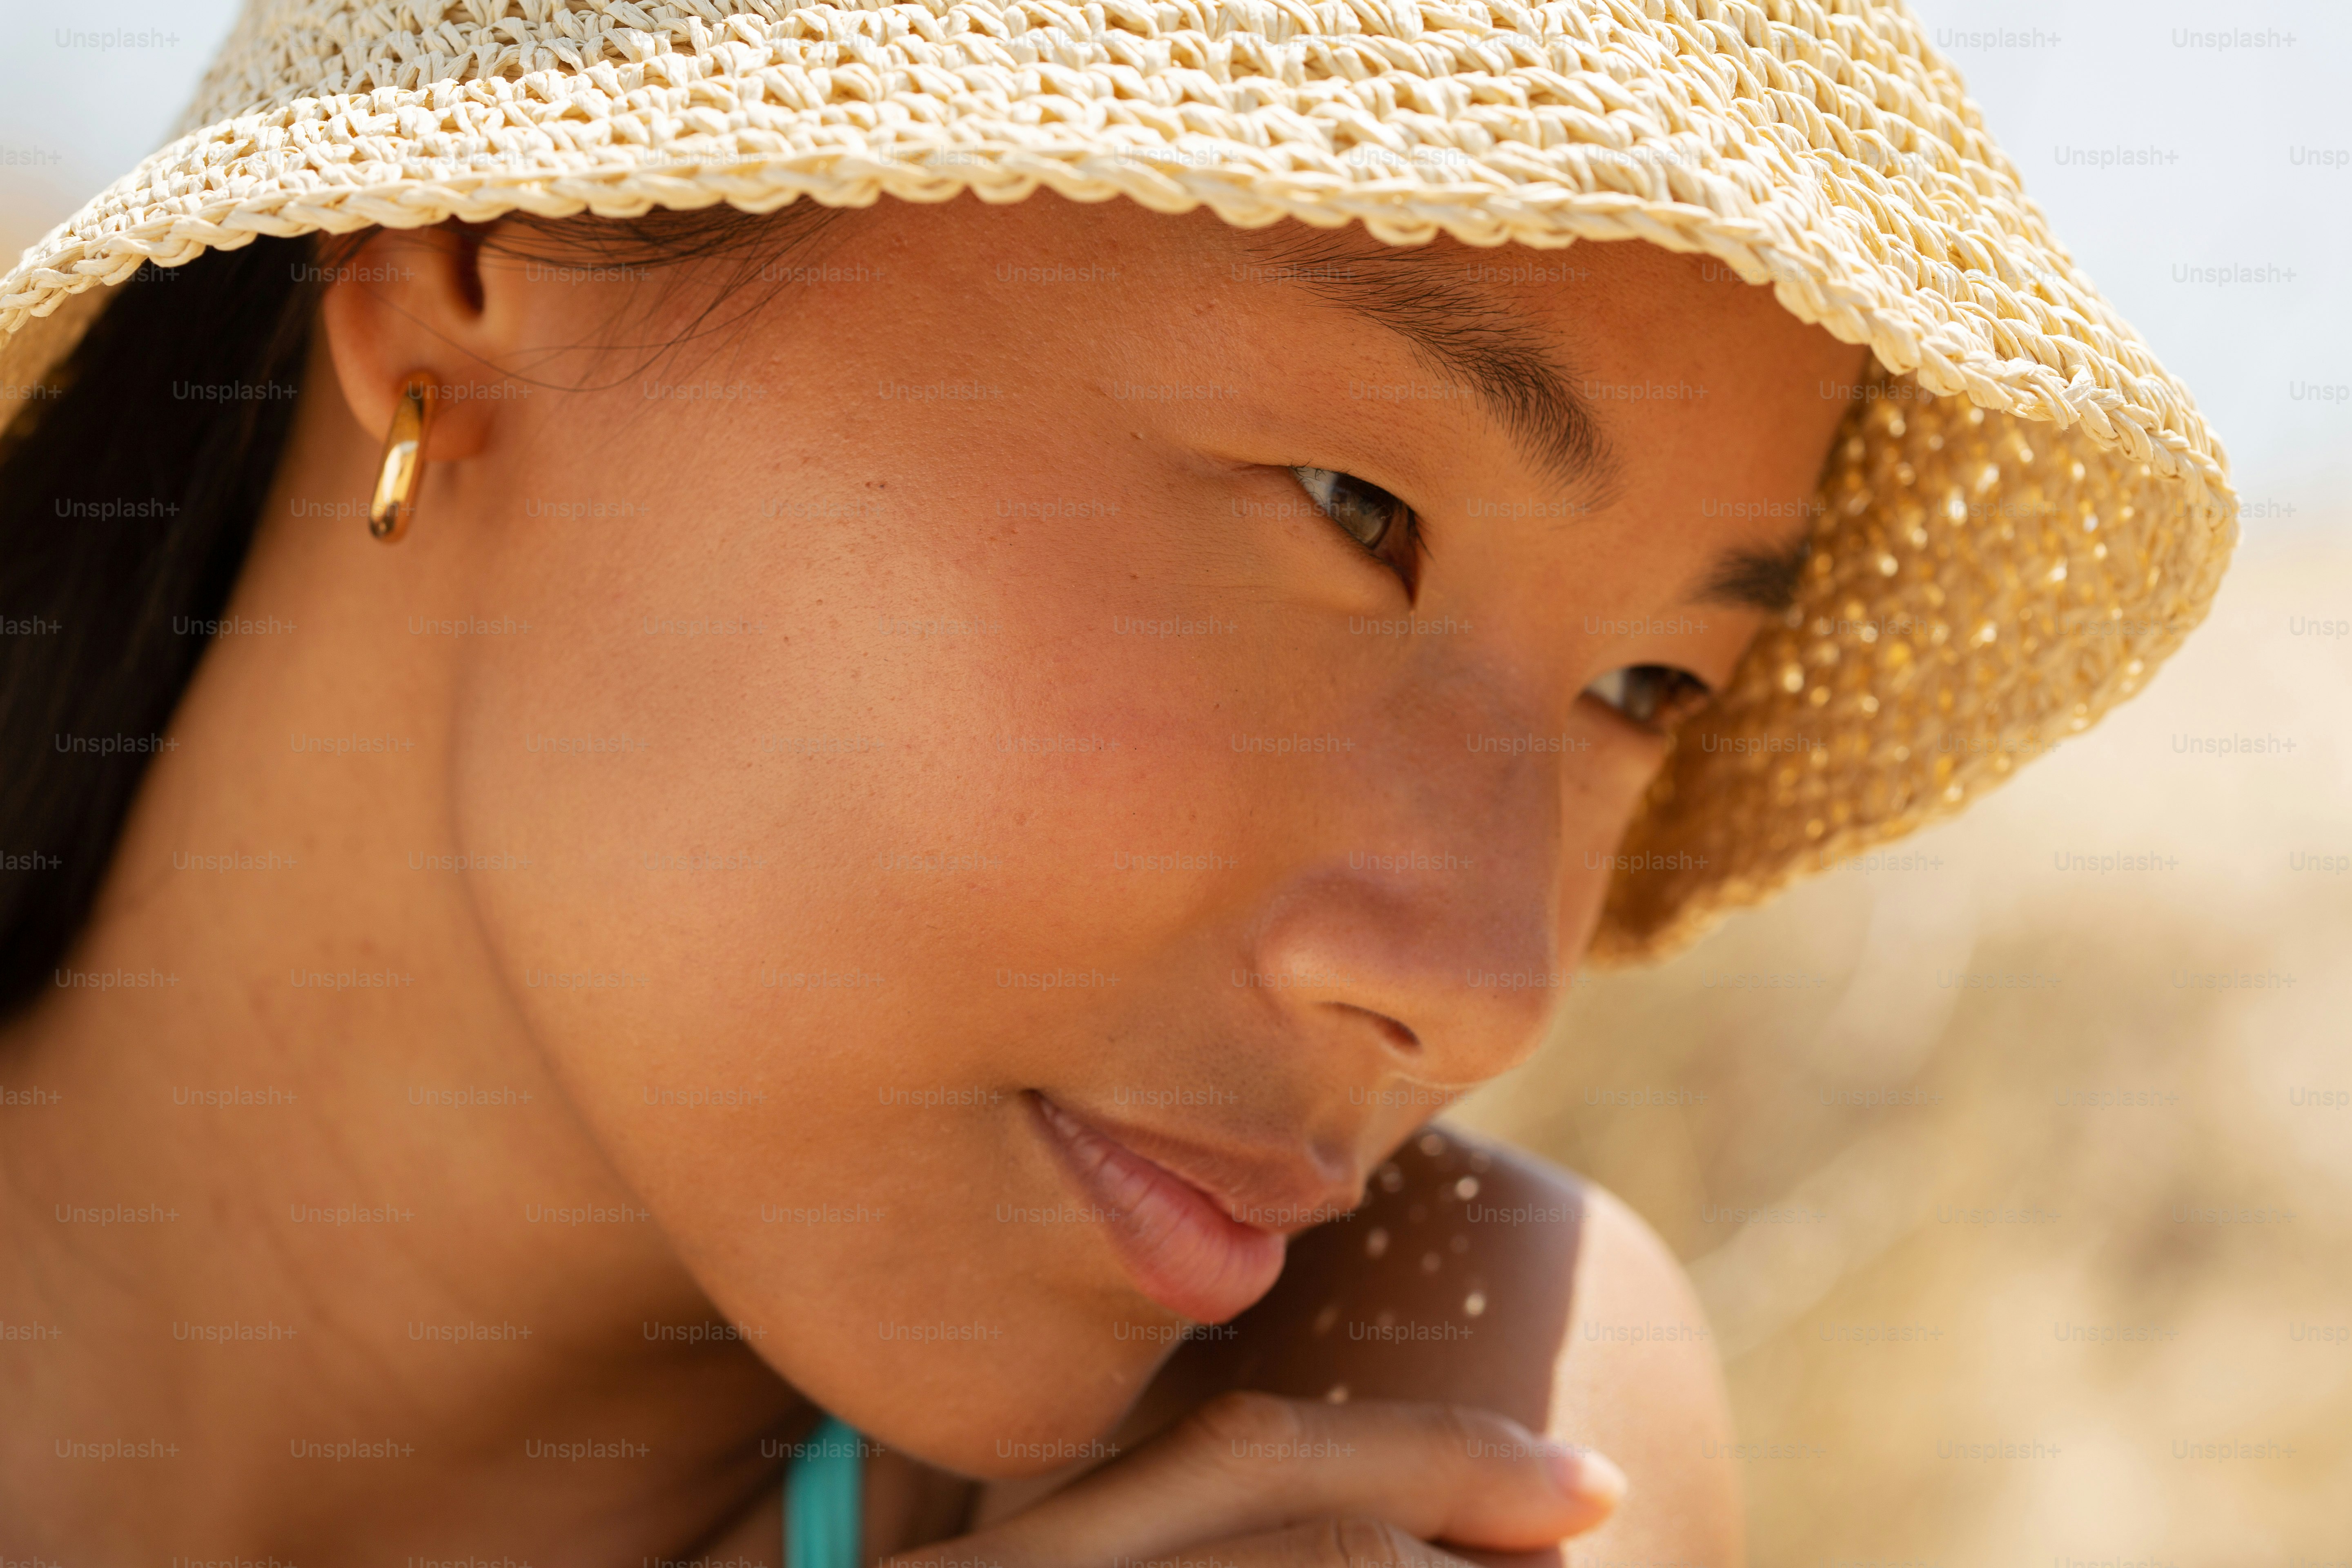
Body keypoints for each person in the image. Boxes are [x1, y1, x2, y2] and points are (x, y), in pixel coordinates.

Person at [0, 2, 2234, 1564]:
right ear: (471, 265)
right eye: (1357, 507)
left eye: (1649, 685)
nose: (1476, 974)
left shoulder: (1438, 1419)